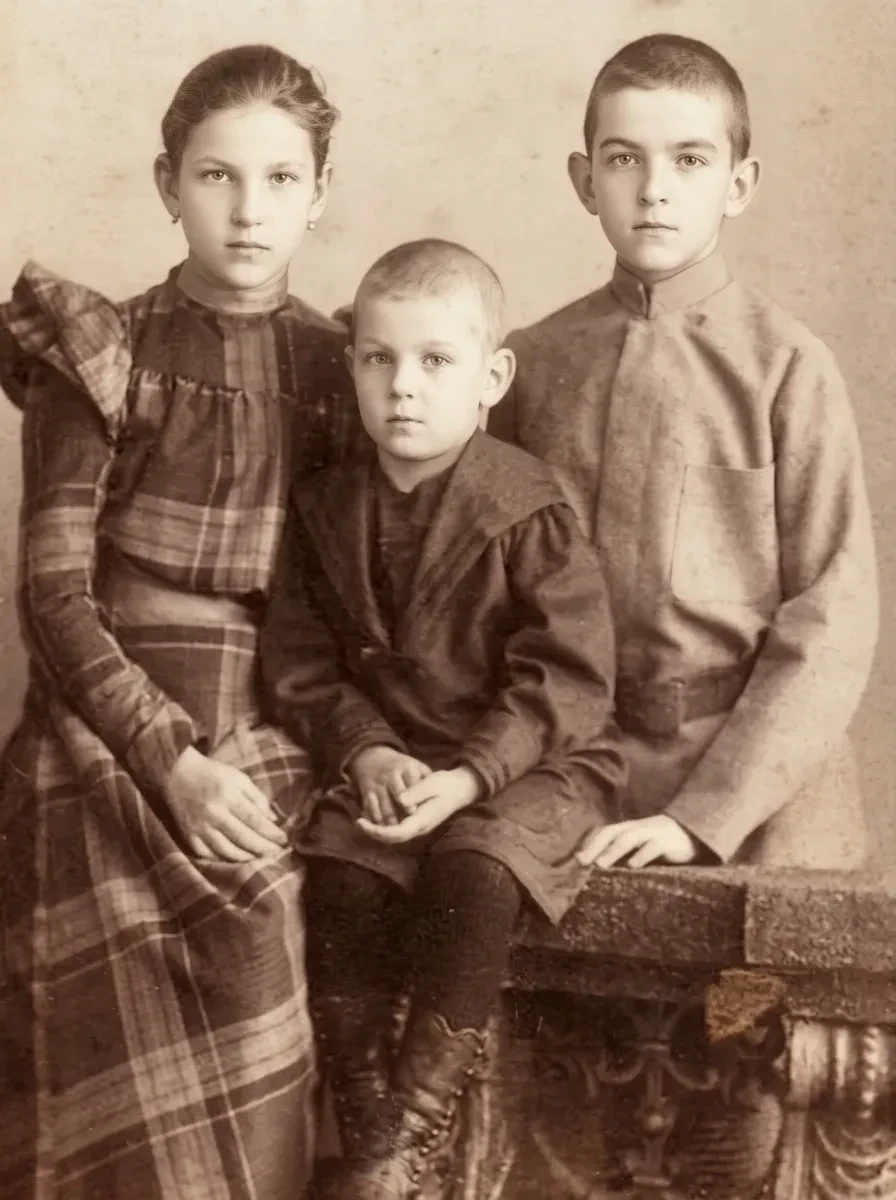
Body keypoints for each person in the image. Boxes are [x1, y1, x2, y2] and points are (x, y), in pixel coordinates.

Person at [0, 44, 360, 1200]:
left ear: (320, 192)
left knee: (266, 922)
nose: (249, 210)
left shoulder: (342, 367)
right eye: (216, 176)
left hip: (275, 718)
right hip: (102, 732)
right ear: (167, 184)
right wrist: (172, 763)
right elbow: (54, 597)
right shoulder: (102, 350)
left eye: (280, 179)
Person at [262, 238, 625, 1199]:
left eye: (435, 361)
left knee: (475, 870)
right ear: (351, 364)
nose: (403, 388)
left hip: (532, 763)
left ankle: (408, 1139)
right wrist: (366, 750)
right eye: (379, 359)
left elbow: (568, 677)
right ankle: (370, 1124)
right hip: (398, 758)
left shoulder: (528, 506)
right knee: (343, 873)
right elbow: (300, 661)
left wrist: (470, 777)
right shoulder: (325, 506)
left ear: (491, 378)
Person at [489, 33, 878, 872]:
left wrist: (703, 818)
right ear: (584, 180)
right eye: (624, 158)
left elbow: (832, 621)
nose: (654, 189)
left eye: (691, 160)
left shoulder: (787, 367)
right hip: (571, 775)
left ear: (739, 184)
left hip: (753, 791)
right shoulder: (533, 362)